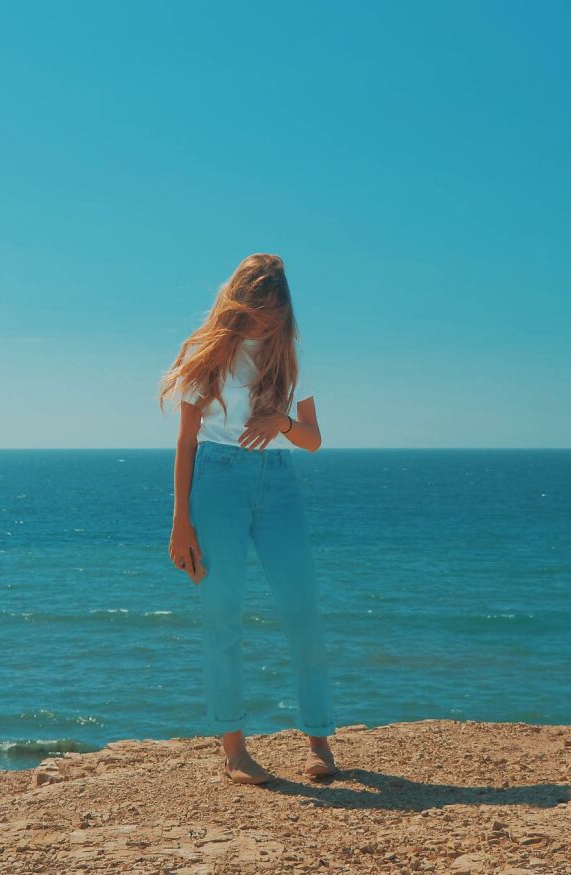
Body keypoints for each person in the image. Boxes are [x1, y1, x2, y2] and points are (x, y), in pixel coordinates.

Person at [159, 253, 338, 785]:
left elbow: (312, 440)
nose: (266, 323)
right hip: (216, 481)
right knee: (223, 615)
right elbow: (186, 442)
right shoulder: (207, 356)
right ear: (239, 304)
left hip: (278, 480)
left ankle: (319, 743)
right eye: (258, 312)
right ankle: (235, 751)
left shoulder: (291, 355)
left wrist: (280, 420)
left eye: (275, 314)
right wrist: (180, 524)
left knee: (302, 611)